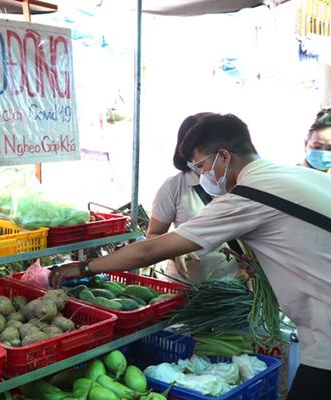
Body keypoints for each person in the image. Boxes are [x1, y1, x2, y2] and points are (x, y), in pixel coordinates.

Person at [49, 113, 331, 400]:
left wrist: (85, 266)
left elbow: (149, 250)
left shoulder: (249, 195)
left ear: (223, 156)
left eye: (201, 166)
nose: (200, 175)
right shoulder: (295, 175)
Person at [148, 113, 239, 282]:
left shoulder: (236, 182)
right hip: (187, 288)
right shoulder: (174, 187)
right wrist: (174, 252)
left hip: (234, 286)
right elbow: (153, 235)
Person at [299, 108, 331, 173]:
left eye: (330, 149)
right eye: (317, 147)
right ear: (305, 144)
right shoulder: (290, 177)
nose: (323, 155)